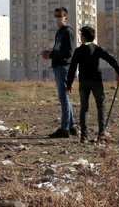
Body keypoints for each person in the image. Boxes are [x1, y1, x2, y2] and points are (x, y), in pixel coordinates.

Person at [65, 25, 119, 143]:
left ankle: (84, 137)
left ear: (83, 37)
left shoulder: (78, 51)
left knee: (84, 108)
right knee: (100, 106)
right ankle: (101, 133)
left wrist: (69, 84)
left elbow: (72, 68)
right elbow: (110, 59)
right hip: (96, 81)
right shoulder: (97, 49)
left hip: (83, 82)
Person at [42, 7, 77, 138]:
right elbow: (58, 49)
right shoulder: (59, 32)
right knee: (65, 98)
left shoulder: (67, 32)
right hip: (59, 66)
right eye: (55, 16)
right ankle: (72, 126)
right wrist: (50, 53)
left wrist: (51, 54)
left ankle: (64, 129)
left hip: (64, 67)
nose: (57, 19)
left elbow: (68, 53)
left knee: (64, 98)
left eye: (59, 16)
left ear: (65, 18)